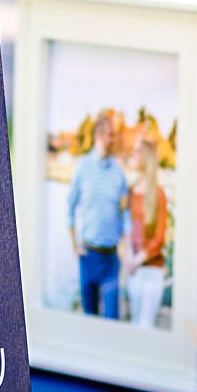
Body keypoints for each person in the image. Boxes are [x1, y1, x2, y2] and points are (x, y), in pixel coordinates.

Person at [68, 111, 129, 318]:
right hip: (88, 257)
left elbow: (125, 214)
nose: (115, 139)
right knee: (89, 319)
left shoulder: (119, 172)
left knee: (112, 319)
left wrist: (125, 250)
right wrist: (75, 246)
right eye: (112, 134)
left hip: (111, 260)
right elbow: (69, 208)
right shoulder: (82, 168)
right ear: (100, 136)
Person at [121, 138, 171, 330]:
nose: (133, 155)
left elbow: (159, 237)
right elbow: (126, 227)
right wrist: (128, 257)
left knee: (146, 325)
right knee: (134, 324)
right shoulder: (131, 191)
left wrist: (138, 259)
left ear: (146, 157)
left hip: (152, 270)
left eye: (136, 152)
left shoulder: (158, 194)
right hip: (134, 270)